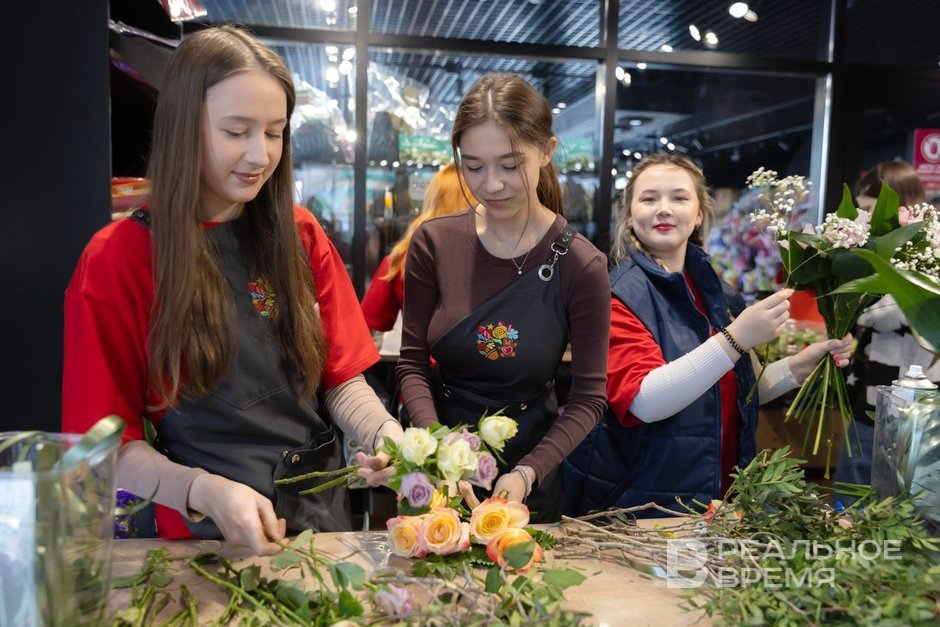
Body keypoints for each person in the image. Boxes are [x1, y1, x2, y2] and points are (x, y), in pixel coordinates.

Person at [62, 26, 399, 556]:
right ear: (183, 127)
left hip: (321, 527)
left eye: (274, 132)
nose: (260, 155)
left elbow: (339, 378)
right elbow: (105, 447)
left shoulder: (300, 234)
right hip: (202, 542)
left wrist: (388, 436)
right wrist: (202, 491)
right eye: (236, 131)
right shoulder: (118, 259)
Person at [564, 154, 852, 515]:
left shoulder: (716, 290)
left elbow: (733, 390)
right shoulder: (616, 295)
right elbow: (643, 401)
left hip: (714, 498)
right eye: (649, 198)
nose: (664, 209)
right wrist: (735, 339)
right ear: (630, 215)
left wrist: (797, 368)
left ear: (699, 213)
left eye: (679, 198)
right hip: (645, 504)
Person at [395, 73, 610, 522]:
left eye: (510, 166)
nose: (491, 184)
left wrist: (529, 473)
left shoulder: (580, 264)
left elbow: (589, 398)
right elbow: (412, 363)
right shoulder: (435, 242)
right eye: (473, 166)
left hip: (528, 473)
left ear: (546, 152)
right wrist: (436, 449)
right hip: (437, 468)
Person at [835, 160, 940, 498]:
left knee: (909, 503)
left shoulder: (927, 251)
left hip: (913, 404)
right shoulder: (879, 252)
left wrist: (859, 295)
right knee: (855, 498)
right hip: (870, 400)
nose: (862, 220)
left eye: (869, 211)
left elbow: (891, 315)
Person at [360, 163, 476, 338]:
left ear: (432, 198)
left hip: (418, 354)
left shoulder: (402, 258)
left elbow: (363, 326)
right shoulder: (493, 255)